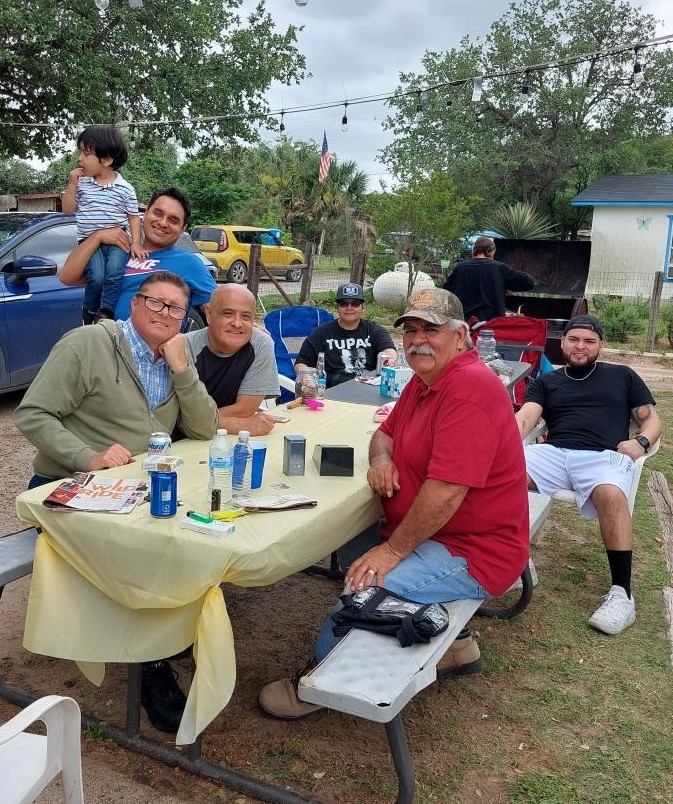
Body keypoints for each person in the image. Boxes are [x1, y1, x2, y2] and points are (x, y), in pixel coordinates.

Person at [258, 288, 530, 719]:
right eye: (412, 329)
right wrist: (383, 459)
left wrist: (394, 550)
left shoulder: (468, 388)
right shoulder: (427, 382)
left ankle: (315, 683)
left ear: (461, 337)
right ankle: (458, 649)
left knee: (362, 583)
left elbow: (445, 491)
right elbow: (383, 434)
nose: (419, 338)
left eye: (431, 329)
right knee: (351, 545)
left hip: (476, 550)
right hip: (443, 534)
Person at [14, 271, 219, 733]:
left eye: (177, 309)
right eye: (156, 303)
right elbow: (32, 413)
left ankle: (168, 628)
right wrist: (88, 456)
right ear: (135, 303)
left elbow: (205, 428)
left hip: (136, 490)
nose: (166, 314)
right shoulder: (88, 343)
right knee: (148, 552)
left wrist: (183, 369)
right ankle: (150, 665)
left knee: (191, 535)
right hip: (72, 487)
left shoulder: (173, 356)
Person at [516, 314, 661, 635]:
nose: (580, 346)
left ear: (600, 345)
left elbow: (651, 419)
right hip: (554, 454)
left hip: (604, 456)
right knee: (498, 475)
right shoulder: (547, 381)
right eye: (574, 339)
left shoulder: (622, 375)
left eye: (589, 341)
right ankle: (513, 561)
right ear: (563, 342)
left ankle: (622, 595)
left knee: (610, 494)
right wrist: (507, 439)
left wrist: (641, 442)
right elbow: (527, 417)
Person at [60, 186, 216, 321]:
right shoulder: (118, 251)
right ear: (146, 214)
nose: (162, 223)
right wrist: (97, 236)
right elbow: (67, 277)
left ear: (182, 229)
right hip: (104, 347)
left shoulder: (190, 264)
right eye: (158, 213)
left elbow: (220, 310)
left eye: (173, 220)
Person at [61, 125, 147, 324]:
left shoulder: (125, 189)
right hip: (88, 241)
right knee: (97, 276)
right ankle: (90, 309)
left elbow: (134, 217)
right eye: (80, 152)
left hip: (118, 242)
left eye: (86, 153)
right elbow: (67, 209)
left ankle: (106, 310)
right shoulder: (82, 183)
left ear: (106, 160)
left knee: (114, 272)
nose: (80, 159)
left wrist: (136, 243)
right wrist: (72, 184)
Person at [185, 284, 280, 436]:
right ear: (209, 314)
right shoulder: (184, 346)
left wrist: (197, 423)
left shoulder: (261, 344)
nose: (237, 323)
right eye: (228, 314)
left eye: (246, 316)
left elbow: (244, 410)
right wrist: (240, 425)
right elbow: (177, 419)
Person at [294, 282, 398, 387]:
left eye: (355, 303)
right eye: (344, 304)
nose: (349, 307)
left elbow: (389, 351)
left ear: (363, 306)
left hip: (368, 388)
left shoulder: (374, 330)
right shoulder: (321, 332)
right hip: (332, 391)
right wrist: (307, 374)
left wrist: (391, 360)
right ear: (337, 307)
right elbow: (300, 363)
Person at [443, 236, 534, 324]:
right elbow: (529, 282)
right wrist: (505, 285)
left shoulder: (460, 268)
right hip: (492, 324)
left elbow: (447, 290)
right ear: (491, 251)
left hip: (463, 323)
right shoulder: (499, 268)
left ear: (474, 250)